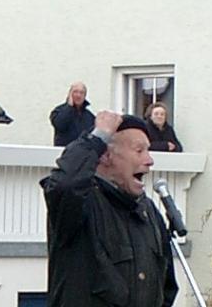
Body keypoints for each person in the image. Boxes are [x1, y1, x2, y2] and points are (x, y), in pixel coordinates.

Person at [41, 111, 178, 307]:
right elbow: (65, 184)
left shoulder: (148, 212)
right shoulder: (82, 204)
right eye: (139, 151)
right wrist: (96, 139)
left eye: (148, 151)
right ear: (105, 155)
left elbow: (166, 288)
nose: (149, 160)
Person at [50, 81, 96, 146]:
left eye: (81, 93)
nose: (78, 95)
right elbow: (60, 125)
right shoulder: (58, 111)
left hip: (83, 153)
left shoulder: (90, 116)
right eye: (75, 92)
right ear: (70, 94)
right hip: (65, 152)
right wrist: (69, 107)